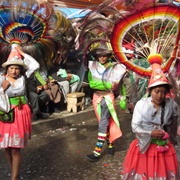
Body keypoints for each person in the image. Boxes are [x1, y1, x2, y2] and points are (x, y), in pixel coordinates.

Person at [121, 54, 179, 179]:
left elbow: (174, 123)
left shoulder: (171, 105)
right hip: (145, 145)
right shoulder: (141, 105)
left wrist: (172, 139)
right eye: (156, 91)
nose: (159, 95)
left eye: (163, 92)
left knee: (163, 174)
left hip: (163, 146)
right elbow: (135, 127)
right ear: (150, 91)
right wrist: (150, 133)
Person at [0, 44, 39, 180]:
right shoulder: (1, 79)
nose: (14, 71)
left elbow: (35, 66)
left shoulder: (24, 78)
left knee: (16, 148)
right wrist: (1, 89)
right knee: (7, 147)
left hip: (21, 114)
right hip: (6, 114)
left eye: (17, 68)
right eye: (11, 68)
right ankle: (13, 171)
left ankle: (14, 177)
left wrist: (22, 53)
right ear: (7, 68)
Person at [85, 46, 126, 162]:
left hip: (108, 97)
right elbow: (92, 84)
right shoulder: (92, 67)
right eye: (100, 55)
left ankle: (97, 152)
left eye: (104, 55)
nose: (102, 58)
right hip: (96, 97)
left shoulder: (114, 67)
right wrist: (107, 84)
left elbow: (120, 83)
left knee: (103, 122)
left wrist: (123, 99)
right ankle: (111, 146)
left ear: (108, 56)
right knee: (104, 122)